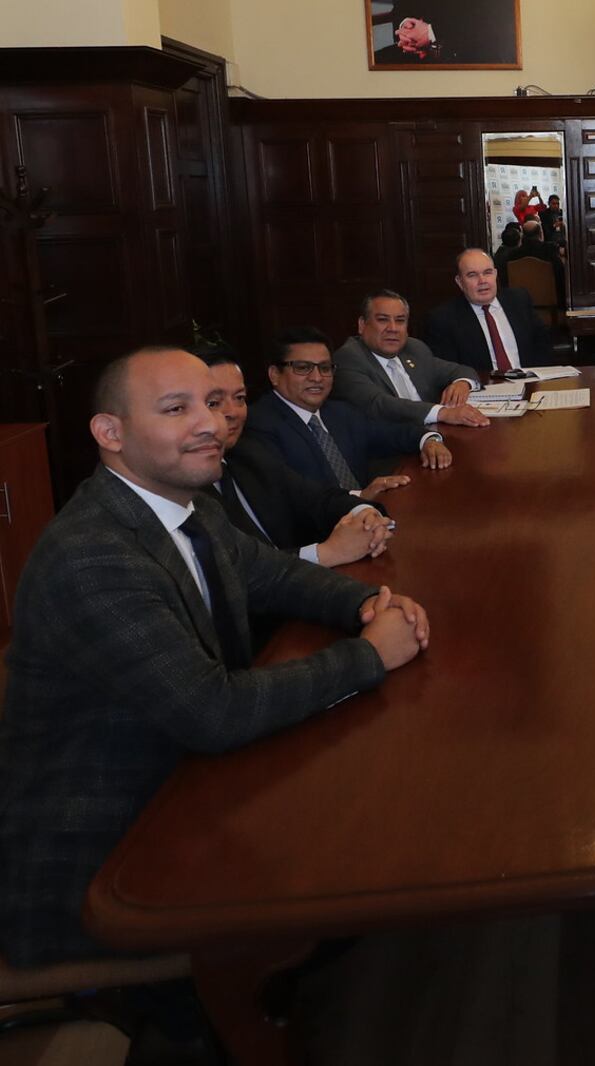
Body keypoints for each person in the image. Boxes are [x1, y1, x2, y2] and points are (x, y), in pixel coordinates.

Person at [0, 346, 429, 965]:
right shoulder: (92, 556)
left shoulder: (191, 506)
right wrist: (369, 655)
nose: (209, 423)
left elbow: (277, 577)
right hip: (105, 865)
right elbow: (213, 712)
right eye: (177, 408)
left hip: (187, 791)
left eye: (211, 402)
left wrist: (366, 603)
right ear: (109, 432)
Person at [205, 351, 393, 568]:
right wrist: (326, 552)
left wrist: (364, 513)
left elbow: (317, 499)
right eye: (214, 402)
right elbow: (232, 572)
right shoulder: (182, 486)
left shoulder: (247, 452)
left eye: (240, 398)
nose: (233, 412)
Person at [245, 327, 451, 495]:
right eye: (302, 367)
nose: (317, 378)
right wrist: (359, 498)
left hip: (370, 520)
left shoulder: (339, 411)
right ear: (274, 374)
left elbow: (394, 433)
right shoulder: (260, 425)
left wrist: (429, 440)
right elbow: (292, 494)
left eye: (324, 368)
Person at [333, 290, 490, 428]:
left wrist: (462, 383)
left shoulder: (414, 349)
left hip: (434, 437)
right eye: (383, 320)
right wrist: (443, 413)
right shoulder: (349, 357)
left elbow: (460, 370)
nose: (393, 328)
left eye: (400, 320)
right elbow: (379, 404)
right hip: (390, 452)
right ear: (362, 325)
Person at [424, 247, 554, 375]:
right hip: (483, 389)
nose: (482, 281)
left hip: (529, 382)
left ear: (495, 274)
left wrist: (535, 378)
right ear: (460, 282)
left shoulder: (519, 300)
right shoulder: (443, 319)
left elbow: (542, 344)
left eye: (487, 272)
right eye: (472, 275)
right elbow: (448, 370)